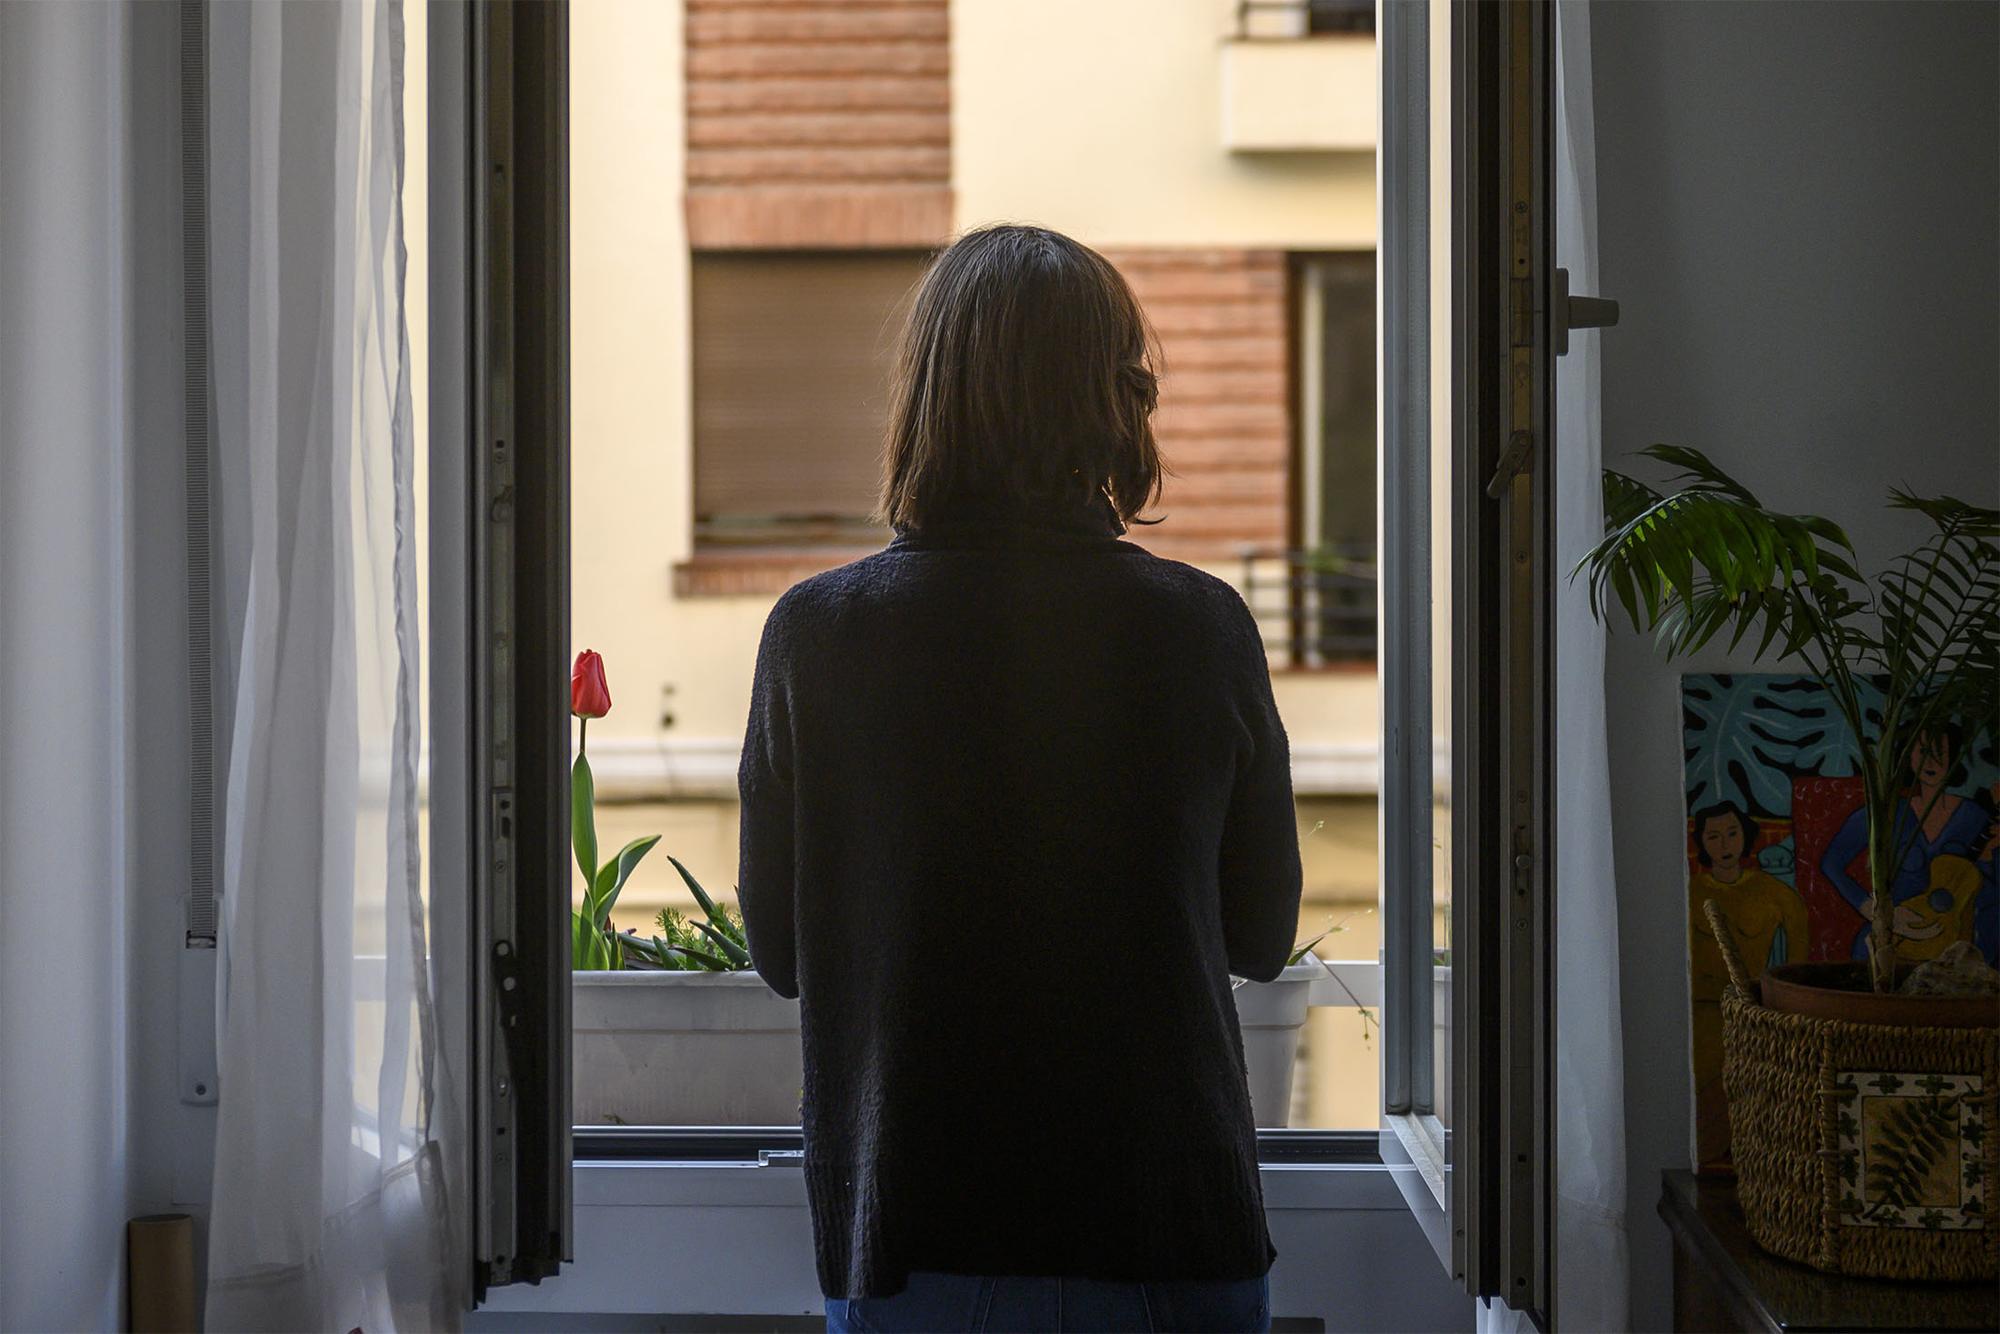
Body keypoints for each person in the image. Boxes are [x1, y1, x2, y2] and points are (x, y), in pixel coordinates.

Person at [734, 224, 1300, 1333]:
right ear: (1112, 397)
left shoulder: (817, 635)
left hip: (917, 1241)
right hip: (1170, 1229)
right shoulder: (1200, 626)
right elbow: (1258, 936)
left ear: (925, 395)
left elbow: (781, 955)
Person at [1684, 800, 1806, 1170]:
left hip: (1746, 1008)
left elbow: (1798, 959)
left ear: (1745, 836)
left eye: (1732, 833)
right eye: (1714, 836)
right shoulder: (1688, 892)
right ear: (1702, 842)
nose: (1725, 844)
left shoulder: (1774, 893)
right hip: (1699, 1010)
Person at [1819, 725, 1997, 964]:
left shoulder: (1974, 817)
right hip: (1892, 940)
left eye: (1940, 753)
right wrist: (1876, 912)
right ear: (1907, 756)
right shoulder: (1886, 814)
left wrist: (1987, 860)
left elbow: (1990, 889)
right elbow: (1831, 862)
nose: (1931, 762)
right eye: (1923, 752)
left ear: (1953, 756)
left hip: (1952, 942)